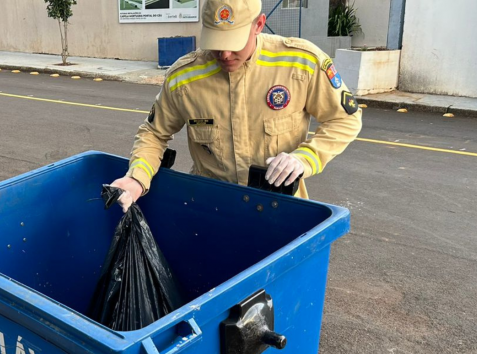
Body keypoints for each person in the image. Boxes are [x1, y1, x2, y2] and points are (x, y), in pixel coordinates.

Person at [110, 0, 362, 211]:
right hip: (210, 208)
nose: (225, 55)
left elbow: (345, 119)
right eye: (216, 43)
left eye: (234, 42)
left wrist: (306, 158)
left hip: (279, 209)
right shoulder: (184, 78)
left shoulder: (300, 64)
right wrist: (136, 178)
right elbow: (153, 133)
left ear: (259, 25)